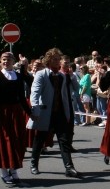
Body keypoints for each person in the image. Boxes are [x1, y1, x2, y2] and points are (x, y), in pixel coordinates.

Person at [27, 48, 83, 178]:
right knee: (40, 139)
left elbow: (72, 91)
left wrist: (71, 75)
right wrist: (35, 108)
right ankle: (34, 164)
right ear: (49, 61)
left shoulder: (63, 76)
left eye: (59, 59)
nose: (58, 61)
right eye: (55, 59)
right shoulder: (41, 74)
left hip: (60, 113)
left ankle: (69, 167)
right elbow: (35, 92)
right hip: (46, 112)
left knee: (64, 140)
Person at [0, 51, 32, 185]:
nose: (6, 62)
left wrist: (30, 112)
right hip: (2, 112)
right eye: (3, 59)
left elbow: (23, 94)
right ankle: (4, 172)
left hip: (16, 112)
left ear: (13, 61)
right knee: (3, 142)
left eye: (8, 59)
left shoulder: (18, 76)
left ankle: (13, 170)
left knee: (16, 141)